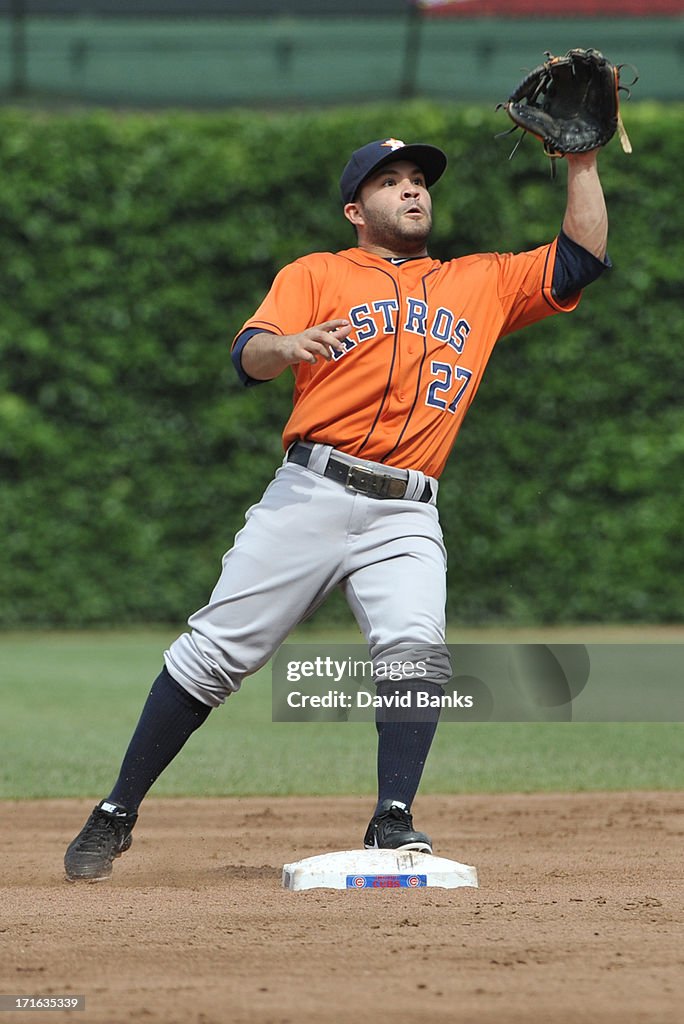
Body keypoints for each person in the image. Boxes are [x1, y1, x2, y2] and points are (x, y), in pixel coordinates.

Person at [64, 136, 609, 881]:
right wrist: (283, 347)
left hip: (407, 511)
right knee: (216, 653)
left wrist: (582, 165)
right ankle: (116, 811)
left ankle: (393, 820)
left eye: (419, 179)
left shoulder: (480, 282)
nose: (412, 190)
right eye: (391, 182)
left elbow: (579, 260)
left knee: (416, 651)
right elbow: (248, 356)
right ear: (357, 209)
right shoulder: (317, 273)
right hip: (312, 492)